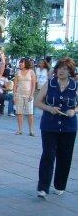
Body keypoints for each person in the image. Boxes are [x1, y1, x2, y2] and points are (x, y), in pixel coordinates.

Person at [35, 58, 77, 198]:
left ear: (70, 71)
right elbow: (37, 102)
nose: (61, 71)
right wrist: (49, 108)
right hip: (49, 125)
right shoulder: (50, 84)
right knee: (48, 155)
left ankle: (59, 185)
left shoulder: (75, 86)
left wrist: (74, 111)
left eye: (65, 69)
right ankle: (43, 188)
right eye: (59, 68)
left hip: (68, 127)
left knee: (65, 157)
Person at [14, 58, 36, 135]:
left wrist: (31, 94)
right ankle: (20, 129)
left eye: (22, 63)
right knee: (19, 112)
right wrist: (14, 95)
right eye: (20, 63)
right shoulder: (18, 72)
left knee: (30, 113)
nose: (20, 64)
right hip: (19, 94)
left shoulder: (31, 72)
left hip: (28, 95)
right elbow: (15, 84)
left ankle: (31, 130)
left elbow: (33, 85)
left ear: (26, 63)